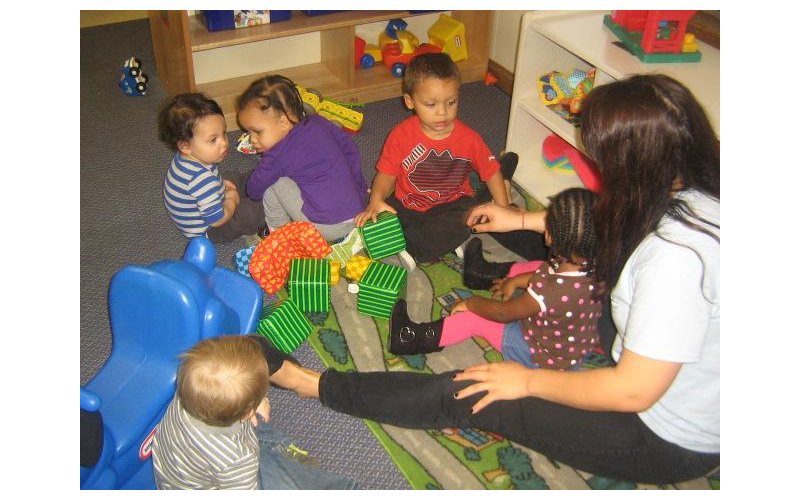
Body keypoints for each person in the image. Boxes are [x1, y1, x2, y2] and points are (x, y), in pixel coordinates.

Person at [288, 74, 720, 484]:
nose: (597, 167)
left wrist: (526, 380)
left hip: (662, 433)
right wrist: (522, 218)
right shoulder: (694, 188)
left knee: (477, 393)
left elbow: (632, 392)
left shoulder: (674, 261)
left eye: (603, 159)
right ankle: (498, 261)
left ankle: (322, 385)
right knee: (571, 252)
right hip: (666, 360)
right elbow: (608, 221)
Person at [389, 188, 602, 373]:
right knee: (539, 266)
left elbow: (504, 313)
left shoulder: (551, 290)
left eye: (549, 220)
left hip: (538, 355)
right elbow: (547, 271)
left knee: (474, 319)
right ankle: (482, 273)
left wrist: (470, 303)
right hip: (568, 348)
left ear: (552, 237)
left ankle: (409, 338)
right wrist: (516, 281)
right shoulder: (587, 263)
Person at [354, 52, 515, 268]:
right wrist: (376, 199)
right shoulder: (400, 135)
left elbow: (491, 171)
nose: (442, 112)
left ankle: (414, 249)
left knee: (469, 214)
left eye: (451, 102)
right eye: (430, 104)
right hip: (408, 204)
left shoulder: (470, 139)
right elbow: (386, 175)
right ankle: (444, 242)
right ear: (410, 102)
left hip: (452, 204)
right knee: (376, 214)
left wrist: (503, 208)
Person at [151, 335, 356, 490]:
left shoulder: (191, 393)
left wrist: (253, 404)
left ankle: (276, 447)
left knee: (258, 427)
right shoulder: (237, 459)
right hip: (220, 476)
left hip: (177, 465)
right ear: (245, 413)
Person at [236, 75, 368, 249]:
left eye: (257, 132)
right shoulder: (318, 122)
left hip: (325, 226)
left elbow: (254, 190)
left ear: (283, 122)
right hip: (358, 213)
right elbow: (349, 150)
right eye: (248, 132)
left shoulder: (277, 154)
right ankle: (341, 236)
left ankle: (280, 236)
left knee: (272, 182)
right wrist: (360, 190)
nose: (252, 139)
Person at [159, 93, 267, 243]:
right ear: (186, 146)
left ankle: (261, 180)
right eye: (213, 140)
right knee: (249, 213)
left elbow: (196, 186)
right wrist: (232, 201)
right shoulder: (203, 179)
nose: (224, 142)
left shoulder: (185, 158)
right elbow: (216, 220)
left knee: (231, 177)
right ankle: (269, 197)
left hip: (202, 203)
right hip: (210, 231)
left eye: (223, 133)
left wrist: (220, 184)